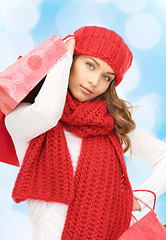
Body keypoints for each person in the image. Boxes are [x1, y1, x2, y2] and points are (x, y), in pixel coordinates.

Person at [5, 26, 166, 240]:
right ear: (72, 60)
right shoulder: (24, 118)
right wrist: (60, 55)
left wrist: (143, 196)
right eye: (90, 65)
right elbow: (48, 112)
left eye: (106, 77)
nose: (94, 81)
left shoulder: (111, 125)